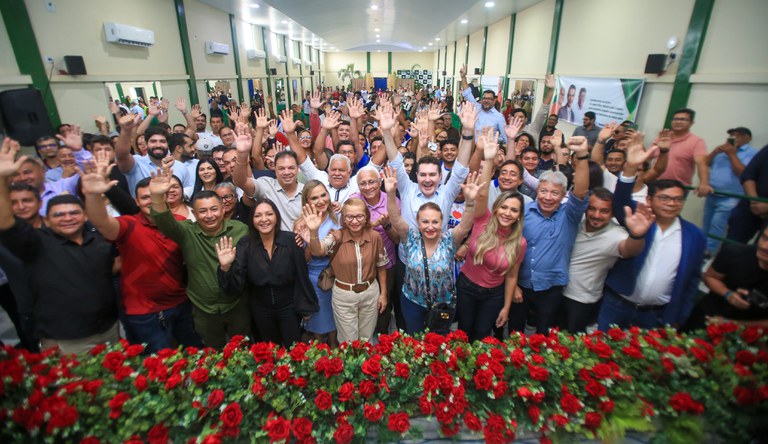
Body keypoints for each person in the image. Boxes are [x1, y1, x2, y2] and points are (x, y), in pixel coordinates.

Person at [0, 139, 118, 354]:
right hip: (66, 339)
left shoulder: (95, 240)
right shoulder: (36, 243)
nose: (67, 218)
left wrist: (93, 194)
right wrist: (1, 179)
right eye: (59, 215)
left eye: (74, 213)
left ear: (84, 216)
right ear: (47, 219)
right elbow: (6, 222)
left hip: (108, 329)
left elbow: (104, 228)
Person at [80, 151, 202, 354]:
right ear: (136, 201)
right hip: (144, 311)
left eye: (154, 196)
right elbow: (102, 222)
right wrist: (92, 195)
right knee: (158, 361)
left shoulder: (180, 224)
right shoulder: (128, 225)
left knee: (194, 354)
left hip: (180, 303)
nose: (149, 201)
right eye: (144, 197)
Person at [599, 142, 707, 330]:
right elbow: (620, 202)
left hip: (655, 314)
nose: (671, 204)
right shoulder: (639, 217)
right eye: (664, 198)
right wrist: (630, 167)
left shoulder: (694, 236)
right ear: (649, 200)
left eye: (678, 199)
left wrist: (680, 316)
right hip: (618, 304)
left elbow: (692, 279)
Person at [149, 165, 251, 349]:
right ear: (194, 214)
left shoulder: (240, 230)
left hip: (237, 304)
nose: (209, 215)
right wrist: (157, 197)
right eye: (203, 211)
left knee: (243, 351)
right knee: (210, 354)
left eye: (214, 209)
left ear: (223, 209)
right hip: (204, 309)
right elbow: (163, 220)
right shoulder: (186, 232)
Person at [508, 136, 591, 334]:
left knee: (544, 334)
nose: (547, 197)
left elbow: (581, 191)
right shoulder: (524, 212)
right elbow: (511, 249)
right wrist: (514, 285)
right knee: (515, 332)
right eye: (543, 191)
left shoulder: (569, 215)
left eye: (554, 193)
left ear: (563, 196)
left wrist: (582, 155)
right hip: (522, 284)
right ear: (537, 191)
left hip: (551, 287)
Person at [385, 166, 482, 334]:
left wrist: (470, 202)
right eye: (425, 222)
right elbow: (395, 218)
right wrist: (391, 194)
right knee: (415, 342)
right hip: (413, 303)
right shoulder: (410, 238)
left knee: (438, 344)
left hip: (442, 306)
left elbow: (465, 226)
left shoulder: (449, 239)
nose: (430, 227)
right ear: (418, 222)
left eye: (435, 222)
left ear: (441, 222)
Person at [216, 198, 318, 347]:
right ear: (252, 220)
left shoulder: (291, 240)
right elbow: (236, 284)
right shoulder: (246, 244)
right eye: (258, 215)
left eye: (269, 214)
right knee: (267, 351)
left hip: (289, 308)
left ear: (276, 217)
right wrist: (225, 267)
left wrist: (305, 306)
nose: (264, 219)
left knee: (294, 350)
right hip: (260, 310)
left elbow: (301, 276)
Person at [457, 132, 527, 341]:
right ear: (495, 208)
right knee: (463, 330)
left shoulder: (520, 243)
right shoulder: (482, 220)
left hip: (494, 294)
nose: (507, 213)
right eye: (503, 207)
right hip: (467, 287)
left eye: (513, 210)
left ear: (519, 216)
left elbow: (512, 276)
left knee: (481, 334)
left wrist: (506, 307)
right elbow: (482, 193)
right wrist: (488, 160)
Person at [560, 185, 654, 333]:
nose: (596, 215)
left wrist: (636, 235)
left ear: (612, 213)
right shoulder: (576, 223)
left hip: (582, 300)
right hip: (557, 291)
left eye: (604, 211)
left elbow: (630, 250)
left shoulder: (616, 234)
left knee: (572, 341)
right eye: (592, 209)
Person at [306, 198, 388, 343]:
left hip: (370, 293)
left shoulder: (375, 237)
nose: (354, 221)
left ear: (366, 217)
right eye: (349, 217)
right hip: (344, 296)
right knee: (348, 342)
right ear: (343, 218)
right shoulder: (336, 236)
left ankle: (366, 359)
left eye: (359, 216)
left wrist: (383, 294)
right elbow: (318, 251)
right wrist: (313, 232)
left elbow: (381, 266)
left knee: (366, 339)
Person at [687, 224, 768, 329]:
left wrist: (732, 324)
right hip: (706, 317)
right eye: (764, 238)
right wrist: (727, 293)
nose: (764, 246)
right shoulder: (735, 253)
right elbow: (709, 277)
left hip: (751, 332)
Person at [294, 181, 342, 346]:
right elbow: (304, 259)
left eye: (323, 195)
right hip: (314, 278)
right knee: (318, 320)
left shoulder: (338, 217)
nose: (321, 201)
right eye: (314, 198)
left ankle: (334, 347)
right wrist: (309, 242)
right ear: (306, 201)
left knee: (335, 318)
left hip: (337, 275)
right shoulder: (301, 224)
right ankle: (320, 352)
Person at [702, 127, 757, 255]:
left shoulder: (752, 153)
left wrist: (732, 154)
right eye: (732, 134)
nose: (733, 137)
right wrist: (715, 152)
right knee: (707, 224)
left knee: (717, 225)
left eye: (738, 134)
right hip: (713, 193)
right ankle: (701, 248)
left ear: (747, 137)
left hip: (732, 196)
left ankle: (708, 253)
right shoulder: (722, 151)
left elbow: (743, 173)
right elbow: (705, 163)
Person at [115, 114, 192, 197]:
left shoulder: (180, 167)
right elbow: (121, 155)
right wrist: (125, 130)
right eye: (153, 141)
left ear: (168, 144)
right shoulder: (137, 163)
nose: (158, 145)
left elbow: (187, 193)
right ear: (146, 144)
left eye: (162, 141)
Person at [653, 108, 710, 194]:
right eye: (675, 119)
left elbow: (702, 163)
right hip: (656, 183)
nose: (678, 122)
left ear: (691, 123)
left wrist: (704, 183)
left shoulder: (697, 142)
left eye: (683, 119)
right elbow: (647, 157)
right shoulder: (662, 137)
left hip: (679, 187)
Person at [727, 144, 768, 244]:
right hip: (750, 206)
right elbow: (748, 174)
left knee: (762, 249)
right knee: (731, 246)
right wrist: (754, 201)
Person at [459, 64, 507, 143]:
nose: (486, 101)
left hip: (487, 148)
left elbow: (504, 138)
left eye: (489, 99)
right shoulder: (476, 107)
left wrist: (491, 139)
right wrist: (463, 77)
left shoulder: (499, 117)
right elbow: (467, 93)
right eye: (484, 98)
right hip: (471, 146)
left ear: (494, 100)